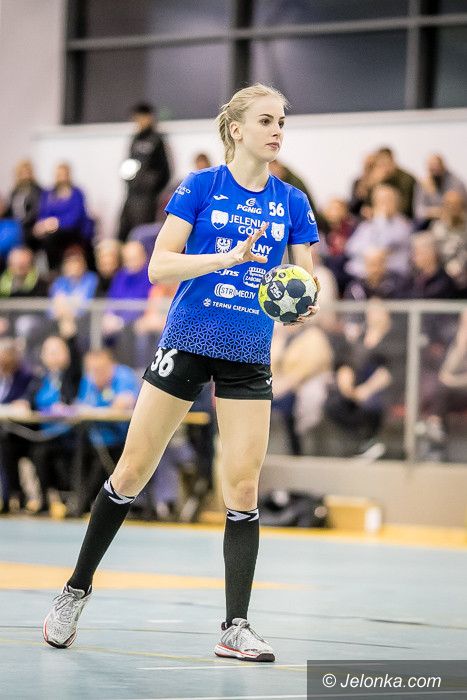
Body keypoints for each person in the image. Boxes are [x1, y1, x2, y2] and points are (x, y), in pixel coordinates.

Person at [43, 83, 320, 662]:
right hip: (188, 340)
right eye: (266, 120)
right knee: (132, 471)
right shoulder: (200, 186)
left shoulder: (292, 202)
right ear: (237, 129)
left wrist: (304, 300)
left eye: (281, 122)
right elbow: (158, 265)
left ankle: (235, 627)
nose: (277, 131)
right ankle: (75, 590)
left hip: (249, 350)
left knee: (242, 486)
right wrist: (226, 258)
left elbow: (306, 275)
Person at [117, 103, 171, 242]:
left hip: (147, 198)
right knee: (123, 231)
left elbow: (165, 171)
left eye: (141, 117)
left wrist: (152, 187)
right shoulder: (135, 139)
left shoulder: (157, 140)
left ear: (149, 117)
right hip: (131, 194)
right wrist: (128, 181)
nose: (138, 121)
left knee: (141, 234)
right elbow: (129, 163)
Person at [33, 163, 93, 273]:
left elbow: (76, 217)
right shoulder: (48, 194)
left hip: (73, 231)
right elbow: (43, 213)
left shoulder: (76, 193)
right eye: (59, 175)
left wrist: (56, 223)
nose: (61, 178)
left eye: (64, 174)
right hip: (51, 230)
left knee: (51, 238)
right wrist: (43, 225)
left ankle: (55, 269)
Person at [345, 184, 413, 279]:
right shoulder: (367, 225)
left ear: (396, 203)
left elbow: (385, 243)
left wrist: (381, 219)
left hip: (392, 273)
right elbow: (350, 248)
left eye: (388, 200)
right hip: (365, 274)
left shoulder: (403, 224)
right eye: (380, 200)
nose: (384, 204)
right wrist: (368, 252)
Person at [0, 337, 35, 513]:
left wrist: (23, 402)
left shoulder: (26, 376)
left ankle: (10, 496)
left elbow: (26, 401)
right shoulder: (3, 376)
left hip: (22, 433)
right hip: (5, 431)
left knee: (5, 448)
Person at [414, 154, 467, 228]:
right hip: (431, 221)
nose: (435, 170)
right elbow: (418, 211)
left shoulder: (456, 182)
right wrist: (436, 212)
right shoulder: (424, 184)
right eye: (432, 168)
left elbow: (462, 206)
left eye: (437, 166)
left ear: (443, 166)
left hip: (454, 220)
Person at [1, 160, 42, 249]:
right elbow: (10, 211)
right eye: (22, 172)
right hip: (15, 226)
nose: (25, 175)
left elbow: (38, 210)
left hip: (31, 225)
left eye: (27, 172)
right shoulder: (14, 191)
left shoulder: (37, 190)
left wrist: (25, 224)